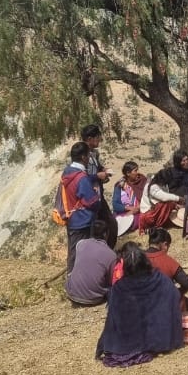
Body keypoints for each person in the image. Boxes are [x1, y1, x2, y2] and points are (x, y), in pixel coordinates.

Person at [96, 243, 184, 368]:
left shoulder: (119, 288)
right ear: (145, 261)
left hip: (127, 339)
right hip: (158, 336)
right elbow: (174, 296)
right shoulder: (160, 280)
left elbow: (113, 319)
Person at [60, 141, 101, 273]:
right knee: (80, 253)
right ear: (83, 157)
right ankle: (74, 280)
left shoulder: (68, 172)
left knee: (73, 250)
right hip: (83, 220)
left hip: (72, 218)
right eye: (88, 156)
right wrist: (95, 194)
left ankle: (72, 278)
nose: (89, 158)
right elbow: (91, 202)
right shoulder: (82, 178)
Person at [145, 228, 188, 312]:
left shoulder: (137, 259)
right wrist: (179, 291)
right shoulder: (168, 261)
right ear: (165, 245)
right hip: (166, 308)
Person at [65, 219, 117, 306]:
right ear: (105, 234)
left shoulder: (81, 244)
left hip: (71, 294)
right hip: (93, 298)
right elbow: (112, 279)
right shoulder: (111, 255)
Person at [80, 124, 117, 247]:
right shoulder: (83, 155)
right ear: (90, 139)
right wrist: (97, 176)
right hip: (90, 197)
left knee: (110, 223)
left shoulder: (94, 153)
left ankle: (107, 251)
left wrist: (104, 171)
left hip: (98, 196)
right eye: (97, 137)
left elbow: (98, 167)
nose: (100, 139)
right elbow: (81, 178)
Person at [112, 161, 147, 234]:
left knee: (140, 219)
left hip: (139, 211)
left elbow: (147, 199)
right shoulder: (120, 185)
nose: (138, 173)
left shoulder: (142, 180)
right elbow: (115, 204)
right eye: (135, 170)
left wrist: (136, 209)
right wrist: (129, 209)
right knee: (114, 221)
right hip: (124, 212)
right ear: (128, 173)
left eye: (137, 170)